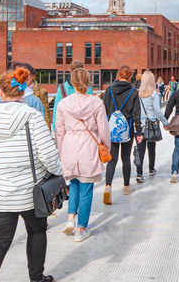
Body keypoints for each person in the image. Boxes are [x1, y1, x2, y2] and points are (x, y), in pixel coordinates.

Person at [0, 67, 62, 282]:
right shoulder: (32, 116)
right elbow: (48, 155)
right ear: (23, 92)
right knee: (37, 231)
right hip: (30, 192)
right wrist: (58, 174)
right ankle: (37, 278)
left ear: (0, 92)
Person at [54, 68, 109, 242]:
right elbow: (103, 129)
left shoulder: (63, 103)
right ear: (88, 81)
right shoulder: (96, 103)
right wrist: (105, 146)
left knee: (74, 184)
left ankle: (71, 218)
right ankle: (81, 229)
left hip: (70, 145)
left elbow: (59, 131)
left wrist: (61, 152)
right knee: (86, 189)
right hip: (88, 146)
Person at [102, 65, 142, 203]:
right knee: (125, 158)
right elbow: (137, 114)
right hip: (127, 129)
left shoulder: (109, 89)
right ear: (130, 76)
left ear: (118, 74)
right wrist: (139, 132)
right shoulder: (133, 91)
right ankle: (126, 186)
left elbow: (104, 109)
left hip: (111, 128)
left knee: (112, 159)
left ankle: (108, 187)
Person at [135, 71, 168, 183]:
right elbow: (158, 112)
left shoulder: (137, 94)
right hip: (151, 123)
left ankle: (139, 173)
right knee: (151, 146)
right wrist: (165, 122)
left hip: (139, 125)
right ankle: (151, 168)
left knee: (140, 149)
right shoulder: (154, 94)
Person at [52, 60, 92, 132]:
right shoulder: (88, 89)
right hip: (84, 129)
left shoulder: (61, 88)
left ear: (70, 70)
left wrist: (55, 129)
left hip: (67, 128)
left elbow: (56, 110)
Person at [19, 62, 50, 128]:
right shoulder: (15, 88)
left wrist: (47, 131)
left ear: (32, 77)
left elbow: (46, 114)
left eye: (26, 74)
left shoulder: (41, 92)